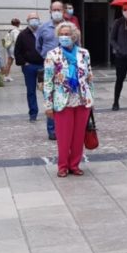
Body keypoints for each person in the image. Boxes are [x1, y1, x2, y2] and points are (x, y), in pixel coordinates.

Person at [43, 22, 94, 177]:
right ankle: (63, 166)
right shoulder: (53, 54)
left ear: (74, 36)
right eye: (62, 34)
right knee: (64, 137)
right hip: (62, 101)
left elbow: (90, 77)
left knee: (78, 136)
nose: (65, 37)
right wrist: (48, 105)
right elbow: (48, 81)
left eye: (68, 34)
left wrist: (91, 99)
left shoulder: (84, 53)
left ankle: (75, 165)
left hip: (81, 100)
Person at [37, 1, 66, 139]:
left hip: (66, 68)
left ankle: (64, 127)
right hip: (49, 68)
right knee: (49, 98)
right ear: (50, 11)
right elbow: (38, 46)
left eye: (59, 9)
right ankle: (52, 130)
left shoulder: (69, 27)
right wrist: (46, 56)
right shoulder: (43, 28)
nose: (56, 12)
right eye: (54, 9)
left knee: (65, 97)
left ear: (63, 11)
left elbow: (78, 45)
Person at [15, 12, 44, 122]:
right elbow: (17, 51)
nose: (34, 20)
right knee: (31, 91)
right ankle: (33, 113)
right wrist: (24, 63)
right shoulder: (22, 35)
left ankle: (50, 110)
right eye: (32, 19)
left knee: (46, 89)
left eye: (36, 18)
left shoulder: (42, 32)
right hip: (29, 66)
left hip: (42, 66)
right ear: (27, 21)